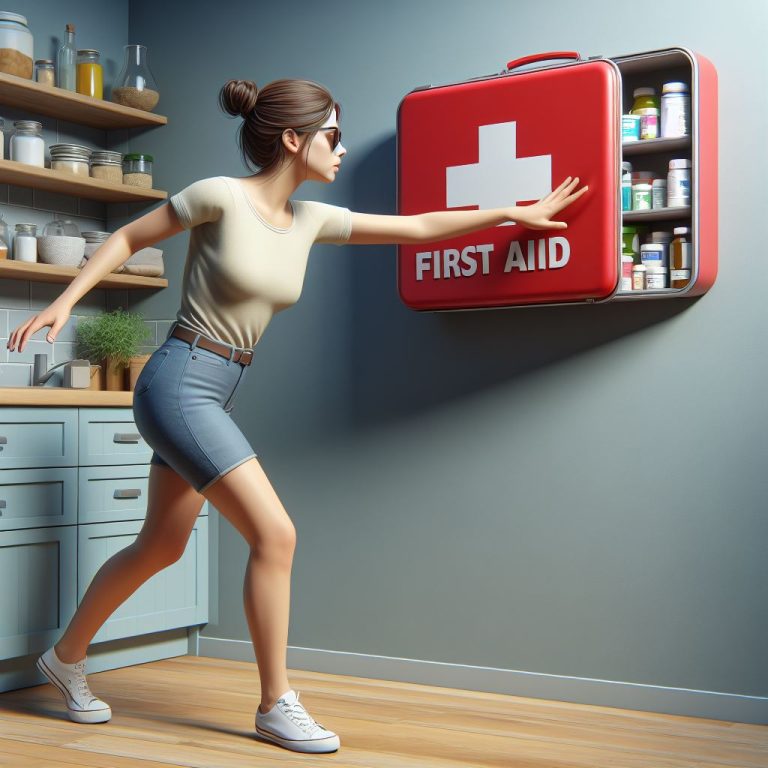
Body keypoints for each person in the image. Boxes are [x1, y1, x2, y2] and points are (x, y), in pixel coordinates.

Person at [6, 77, 588, 754]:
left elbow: (420, 227)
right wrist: (65, 302)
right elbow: (129, 237)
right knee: (276, 535)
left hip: (220, 387)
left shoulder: (310, 219)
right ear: (292, 138)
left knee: (161, 545)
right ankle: (275, 702)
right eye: (332, 137)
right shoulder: (219, 196)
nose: (339, 150)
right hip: (179, 381)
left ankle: (65, 657)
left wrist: (518, 211)